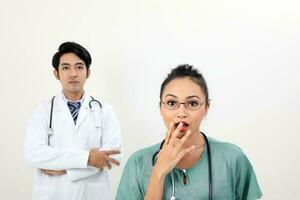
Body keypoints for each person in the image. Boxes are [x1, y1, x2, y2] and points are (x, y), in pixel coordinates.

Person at [116, 64, 262, 200]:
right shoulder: (138, 163)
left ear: (206, 108)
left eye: (192, 103)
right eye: (172, 103)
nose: (181, 112)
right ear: (161, 107)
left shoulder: (232, 158)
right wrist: (158, 173)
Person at [24, 41, 122, 200]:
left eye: (79, 67)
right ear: (56, 73)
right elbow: (33, 154)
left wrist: (66, 170)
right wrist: (87, 159)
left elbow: (113, 156)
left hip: (91, 194)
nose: (73, 73)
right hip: (52, 194)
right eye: (65, 67)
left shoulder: (105, 110)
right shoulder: (41, 111)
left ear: (88, 72)